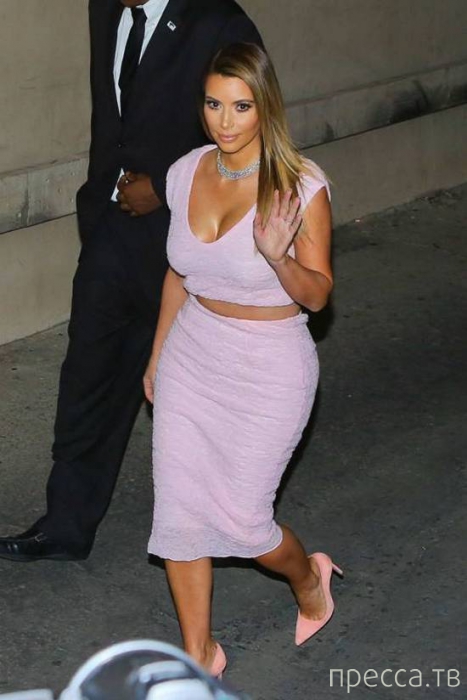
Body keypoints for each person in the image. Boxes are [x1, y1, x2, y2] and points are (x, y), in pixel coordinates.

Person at [0, 0, 262, 563]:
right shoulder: (105, 8)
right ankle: (66, 526)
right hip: (112, 228)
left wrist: (165, 186)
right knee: (88, 375)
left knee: (201, 393)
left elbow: (247, 134)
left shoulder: (218, 22)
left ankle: (230, 523)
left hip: (188, 238)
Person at [143, 43, 342, 677]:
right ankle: (199, 657)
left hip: (269, 366)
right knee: (179, 512)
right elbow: (180, 274)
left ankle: (308, 578)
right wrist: (157, 356)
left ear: (266, 107)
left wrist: (278, 256)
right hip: (192, 353)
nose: (224, 122)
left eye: (241, 106)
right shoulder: (185, 172)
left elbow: (318, 294)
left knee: (245, 523)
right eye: (213, 104)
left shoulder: (300, 186)